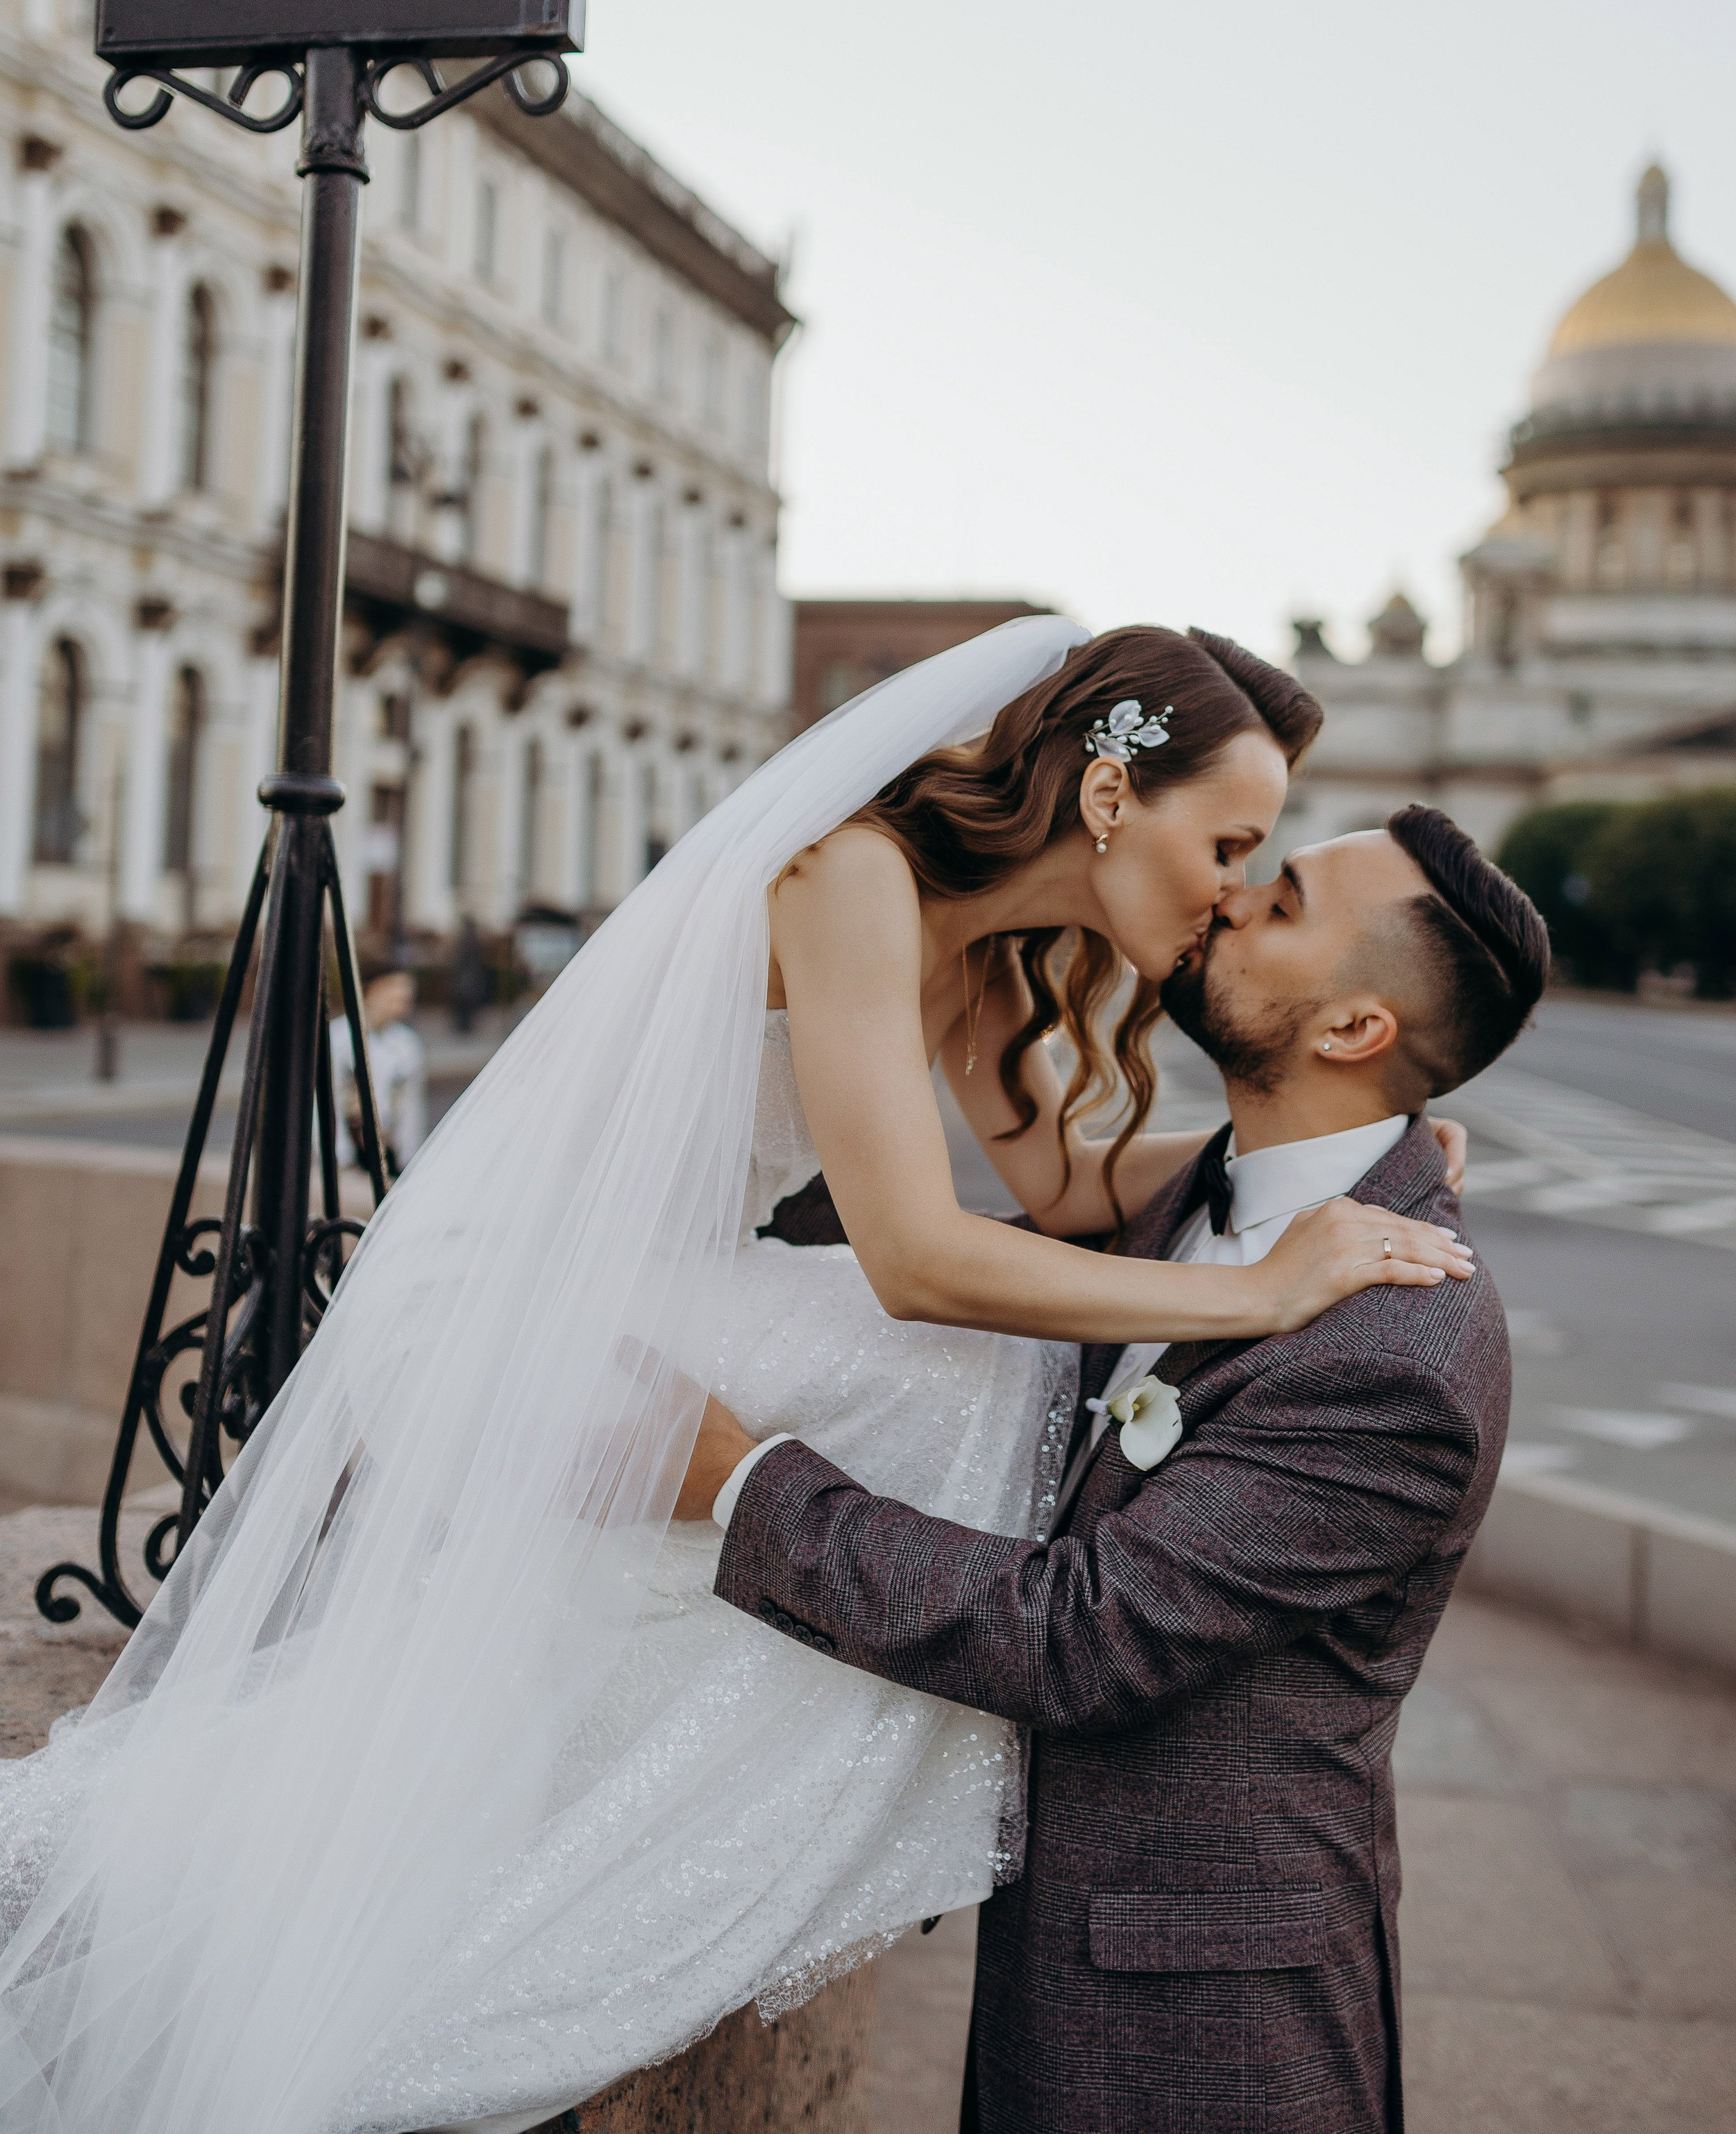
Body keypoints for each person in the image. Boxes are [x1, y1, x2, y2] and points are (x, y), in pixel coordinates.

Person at [0, 621, 1473, 2133]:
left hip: (652, 1297)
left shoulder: (1000, 953)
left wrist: (1343, 1162)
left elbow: (1074, 1189)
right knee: (979, 1373)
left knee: (954, 1399)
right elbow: (911, 1258)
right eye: (1230, 840)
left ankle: (710, 1801)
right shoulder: (852, 876)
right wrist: (1258, 1292)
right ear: (1110, 797)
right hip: (511, 1315)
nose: (1235, 889)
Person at [681, 804, 1549, 2134]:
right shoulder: (1206, 1198)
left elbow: (1080, 1637)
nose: (1238, 895)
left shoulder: (1399, 1352)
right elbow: (892, 1250)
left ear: (1354, 1031)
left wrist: (739, 1483)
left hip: (1205, 2022)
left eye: (1288, 900)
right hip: (1074, 1949)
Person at [330, 964, 428, 1175]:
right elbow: (328, 1101)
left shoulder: (408, 1043)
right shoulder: (338, 1039)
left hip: (390, 1152)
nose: (402, 996)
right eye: (391, 987)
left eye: (407, 990)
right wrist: (341, 1158)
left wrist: (410, 1157)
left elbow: (412, 1105)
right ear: (369, 991)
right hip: (348, 1154)